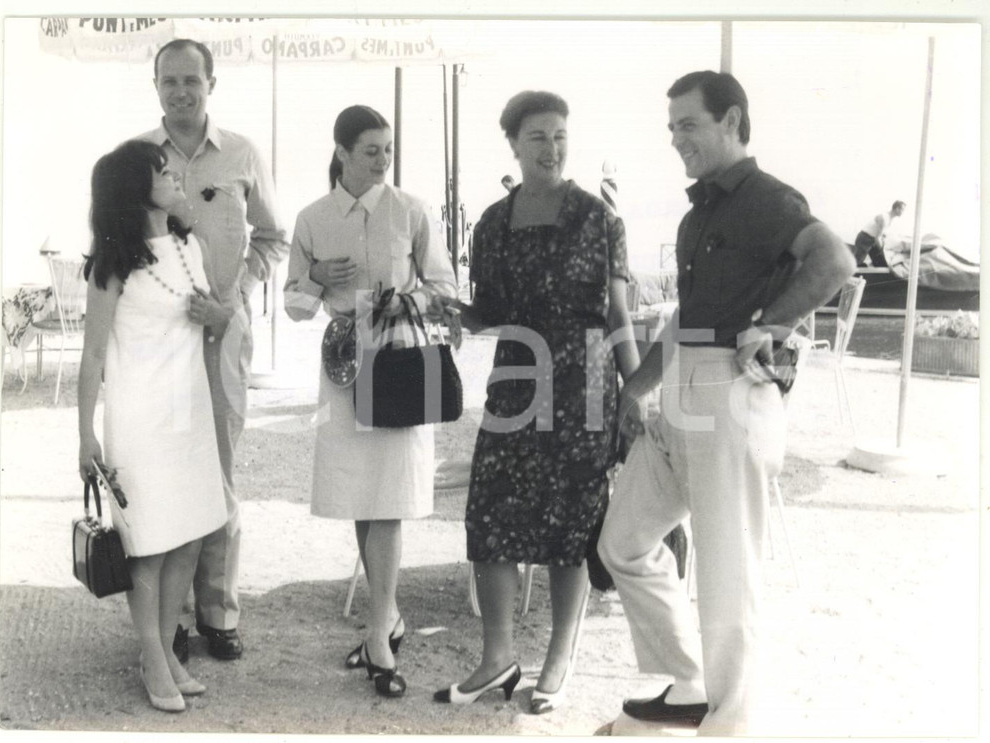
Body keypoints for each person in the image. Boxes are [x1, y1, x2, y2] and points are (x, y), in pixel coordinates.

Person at [598, 71, 854, 736]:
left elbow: (834, 259)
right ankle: (688, 682)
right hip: (685, 386)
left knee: (727, 573)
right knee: (623, 540)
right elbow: (687, 315)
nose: (676, 138)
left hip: (733, 392)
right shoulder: (700, 214)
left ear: (733, 122)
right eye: (671, 126)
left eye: (688, 123)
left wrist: (774, 324)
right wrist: (635, 385)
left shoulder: (766, 197)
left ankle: (730, 723)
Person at [432, 91, 640, 713]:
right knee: (489, 511)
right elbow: (492, 307)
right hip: (517, 376)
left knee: (571, 521)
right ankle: (497, 659)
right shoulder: (492, 223)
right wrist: (461, 315)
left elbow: (618, 313)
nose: (551, 149)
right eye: (538, 137)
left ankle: (559, 654)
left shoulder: (600, 219)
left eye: (559, 136)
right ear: (514, 145)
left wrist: (636, 391)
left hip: (586, 383)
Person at [284, 105, 457, 698]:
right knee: (363, 493)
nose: (383, 159)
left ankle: (379, 630)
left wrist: (404, 300)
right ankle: (389, 617)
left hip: (402, 360)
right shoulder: (311, 219)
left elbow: (446, 290)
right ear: (340, 151)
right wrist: (316, 280)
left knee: (389, 497)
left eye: (388, 149)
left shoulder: (411, 210)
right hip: (342, 361)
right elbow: (294, 308)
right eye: (370, 151)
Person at [137, 38, 288, 662]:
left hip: (223, 336)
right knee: (165, 473)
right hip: (158, 347)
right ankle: (167, 619)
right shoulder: (139, 158)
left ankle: (218, 613)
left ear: (212, 83)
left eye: (190, 81)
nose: (180, 92)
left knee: (219, 471)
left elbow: (273, 240)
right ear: (156, 86)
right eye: (168, 81)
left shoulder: (244, 154)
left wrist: (238, 299)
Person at [78, 140, 229, 712]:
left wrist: (218, 316)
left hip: (188, 411)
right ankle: (151, 657)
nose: (174, 176)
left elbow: (217, 315)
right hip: (139, 417)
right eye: (161, 171)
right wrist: (85, 435)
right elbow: (92, 357)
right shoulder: (112, 262)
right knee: (149, 547)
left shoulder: (190, 244)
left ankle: (163, 652)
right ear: (133, 187)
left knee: (189, 537)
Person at [852, 200, 905, 267]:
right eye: (903, 210)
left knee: (881, 262)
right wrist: (881, 249)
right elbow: (877, 238)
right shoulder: (884, 218)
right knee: (856, 262)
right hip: (865, 239)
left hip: (872, 240)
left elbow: (880, 233)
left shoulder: (889, 218)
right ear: (897, 209)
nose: (903, 212)